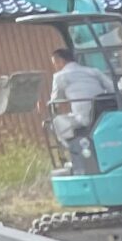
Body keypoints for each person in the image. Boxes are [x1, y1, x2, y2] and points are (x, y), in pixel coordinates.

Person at [46, 45, 112, 173]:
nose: (55, 67)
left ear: (61, 61)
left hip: (83, 118)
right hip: (103, 114)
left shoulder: (60, 77)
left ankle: (74, 152)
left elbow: (55, 102)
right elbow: (113, 89)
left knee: (55, 123)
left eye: (55, 63)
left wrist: (49, 105)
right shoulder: (93, 71)